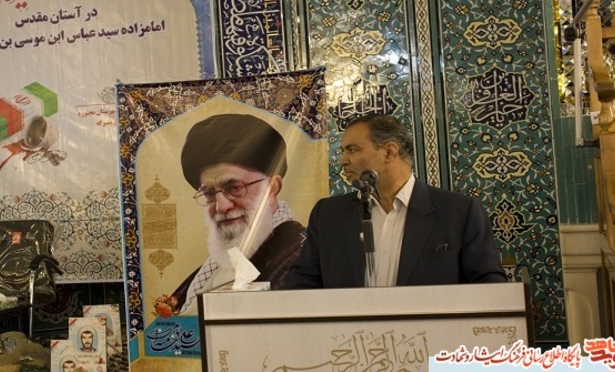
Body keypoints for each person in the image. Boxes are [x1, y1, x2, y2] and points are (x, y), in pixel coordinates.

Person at [284, 114, 507, 288]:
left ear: (389, 152)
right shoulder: (328, 215)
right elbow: (301, 283)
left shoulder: (459, 212)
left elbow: (489, 286)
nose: (343, 160)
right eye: (343, 151)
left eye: (352, 150)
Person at [171, 113, 305, 314]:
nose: (221, 206)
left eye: (234, 188)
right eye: (209, 193)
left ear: (272, 188)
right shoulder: (219, 263)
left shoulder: (302, 256)